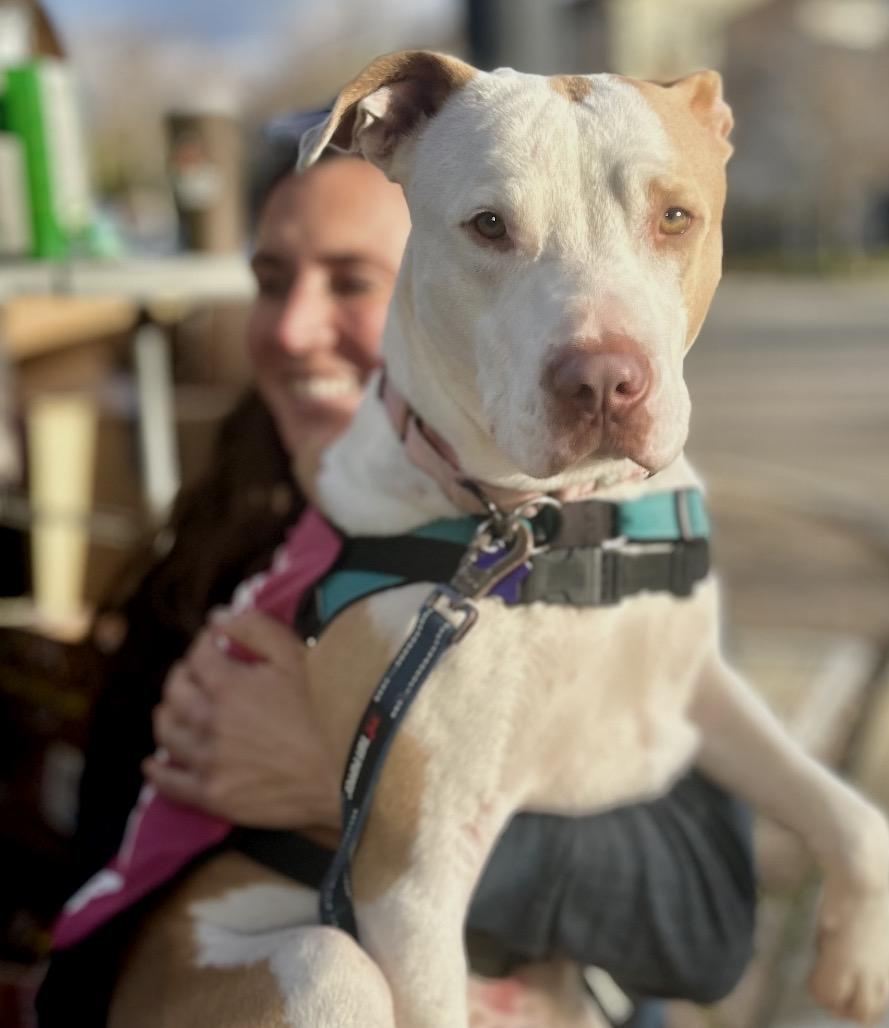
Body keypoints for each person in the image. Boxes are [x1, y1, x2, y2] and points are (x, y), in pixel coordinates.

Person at [36, 141, 756, 1027]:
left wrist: (346, 791)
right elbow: (101, 913)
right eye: (271, 280)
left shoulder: (609, 537)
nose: (294, 328)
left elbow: (707, 927)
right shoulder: (216, 557)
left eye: (351, 282)